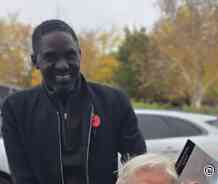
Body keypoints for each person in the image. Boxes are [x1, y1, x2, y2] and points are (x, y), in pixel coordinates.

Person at [2, 19, 146, 184]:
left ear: (80, 54)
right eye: (50, 57)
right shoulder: (16, 108)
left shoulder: (114, 101)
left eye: (70, 55)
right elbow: (22, 176)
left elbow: (138, 164)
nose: (62, 65)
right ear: (35, 61)